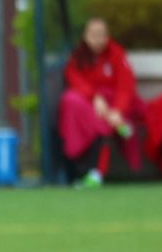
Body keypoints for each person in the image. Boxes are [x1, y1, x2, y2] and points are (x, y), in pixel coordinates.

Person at [58, 17, 148, 186]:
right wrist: (95, 97)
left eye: (101, 35)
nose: (97, 40)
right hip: (90, 108)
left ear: (107, 36)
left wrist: (117, 111)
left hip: (116, 108)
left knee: (119, 127)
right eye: (93, 35)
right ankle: (85, 171)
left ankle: (98, 172)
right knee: (78, 108)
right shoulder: (78, 57)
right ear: (85, 36)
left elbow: (126, 85)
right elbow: (75, 80)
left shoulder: (116, 54)